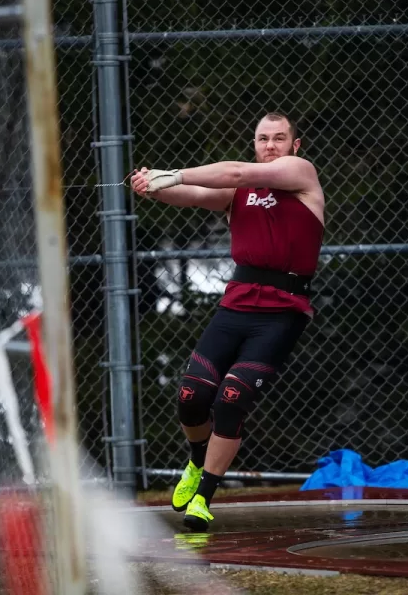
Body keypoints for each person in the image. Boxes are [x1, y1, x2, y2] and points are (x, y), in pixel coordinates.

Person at [131, 112, 325, 532]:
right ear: (254, 143)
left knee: (232, 400)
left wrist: (173, 173)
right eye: (262, 139)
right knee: (190, 397)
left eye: (278, 138)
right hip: (236, 306)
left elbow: (232, 171)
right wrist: (153, 188)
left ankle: (203, 498)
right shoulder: (241, 191)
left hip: (281, 312)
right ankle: (196, 463)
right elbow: (198, 196)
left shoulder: (300, 174)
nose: (270, 146)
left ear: (295, 145)